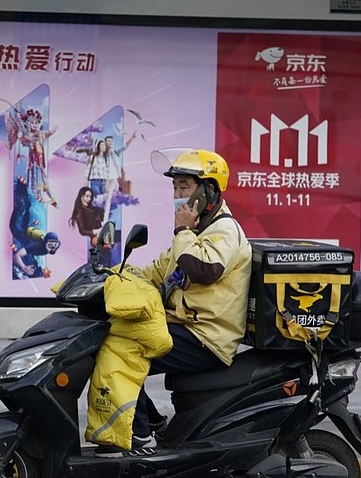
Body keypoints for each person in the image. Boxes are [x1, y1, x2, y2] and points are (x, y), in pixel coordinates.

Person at [94, 148, 252, 458]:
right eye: (175, 187)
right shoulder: (196, 231)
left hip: (206, 337)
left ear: (208, 191)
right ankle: (152, 423)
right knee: (112, 334)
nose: (178, 195)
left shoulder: (224, 231)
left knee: (121, 351)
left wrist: (181, 230)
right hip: (184, 326)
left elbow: (205, 270)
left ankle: (138, 434)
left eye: (185, 187)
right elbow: (157, 271)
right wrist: (112, 276)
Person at [9, 177, 60, 278]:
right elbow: (17, 256)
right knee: (18, 209)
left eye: (55, 245)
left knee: (26, 208)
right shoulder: (36, 247)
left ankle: (22, 189)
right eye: (51, 245)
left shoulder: (45, 247)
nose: (52, 248)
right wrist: (24, 268)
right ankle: (18, 201)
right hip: (17, 230)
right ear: (45, 242)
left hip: (25, 231)